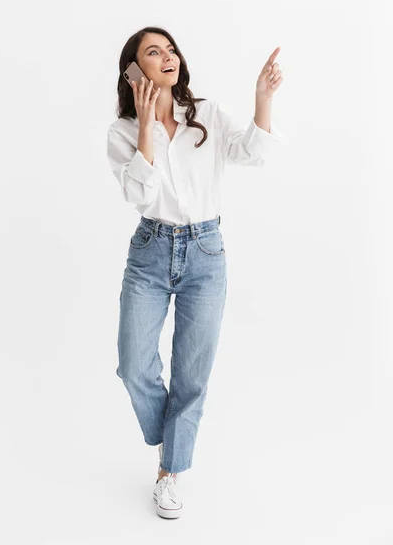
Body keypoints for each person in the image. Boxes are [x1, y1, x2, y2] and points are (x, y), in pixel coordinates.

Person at [106, 26, 284, 519]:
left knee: (192, 374)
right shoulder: (120, 132)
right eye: (153, 52)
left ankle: (170, 471)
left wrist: (262, 99)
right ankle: (174, 440)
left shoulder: (204, 115)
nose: (168, 57)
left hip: (206, 251)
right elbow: (139, 197)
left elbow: (254, 154)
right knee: (133, 364)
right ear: (134, 70)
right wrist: (145, 124)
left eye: (171, 50)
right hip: (150, 250)